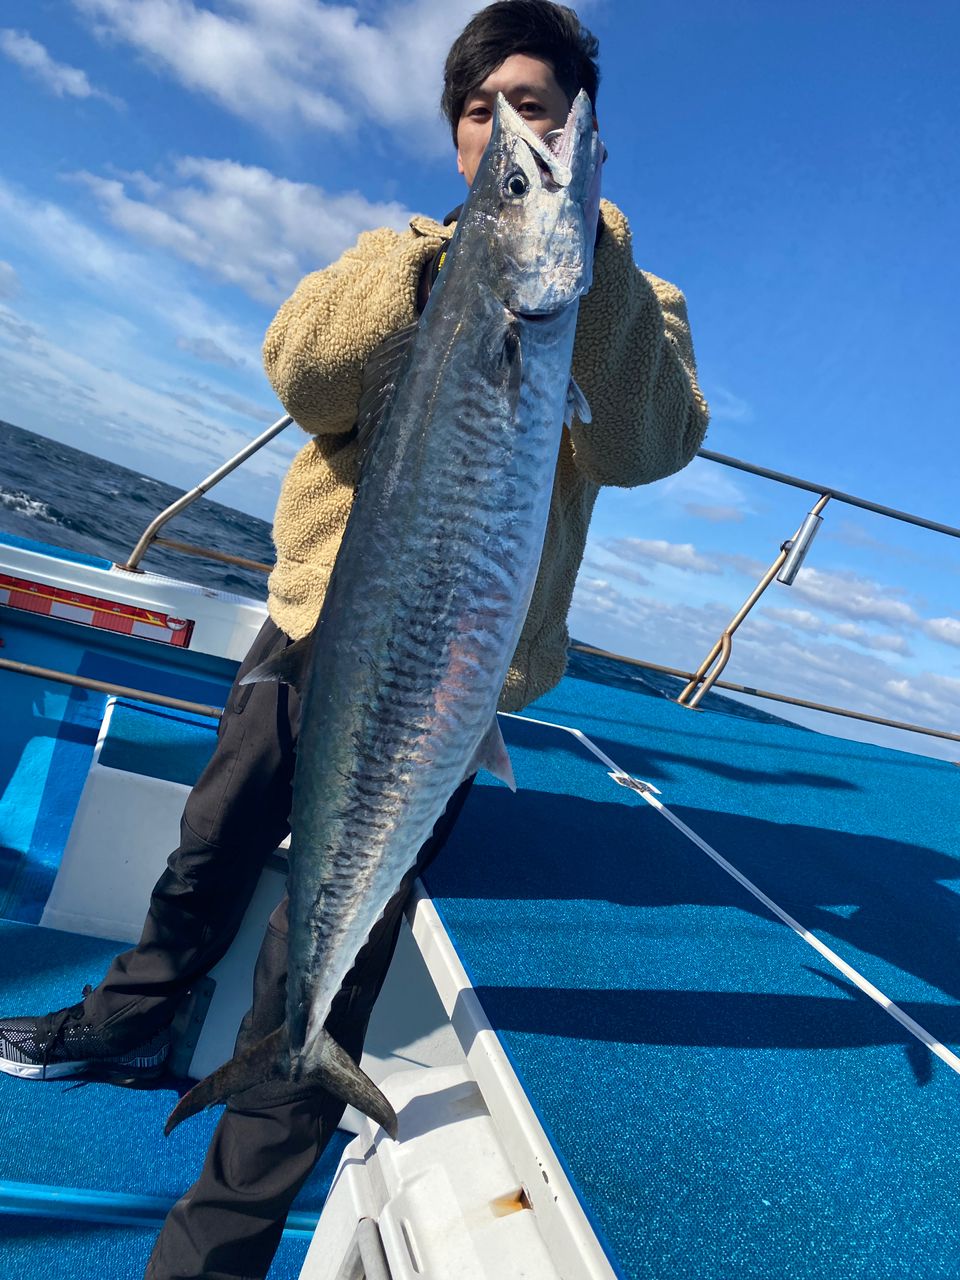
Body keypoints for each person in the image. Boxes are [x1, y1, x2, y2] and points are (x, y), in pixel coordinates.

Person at [0, 3, 709, 1276]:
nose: (513, 131)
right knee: (210, 841)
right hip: (312, 625)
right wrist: (442, 274)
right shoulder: (395, 259)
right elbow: (300, 370)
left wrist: (574, 263)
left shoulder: (631, 301)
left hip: (450, 674)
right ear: (456, 139)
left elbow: (647, 441)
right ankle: (135, 1018)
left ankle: (219, 1231)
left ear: (590, 133)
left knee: (339, 934)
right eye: (486, 112)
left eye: (538, 106)